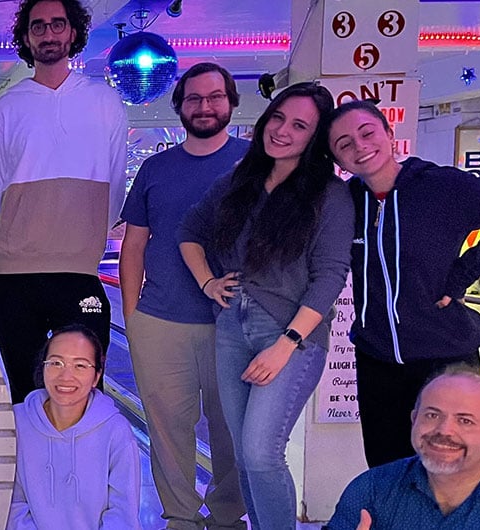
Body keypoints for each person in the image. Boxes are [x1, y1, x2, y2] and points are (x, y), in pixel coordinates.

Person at [325, 100, 480, 468]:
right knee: (386, 468)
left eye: (367, 133)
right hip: (376, 361)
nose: (360, 147)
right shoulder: (346, 202)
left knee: (454, 469)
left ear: (389, 134)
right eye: (344, 144)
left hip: (444, 359)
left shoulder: (442, 186)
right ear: (337, 158)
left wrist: (462, 274)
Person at [178, 82, 352, 530]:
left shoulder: (328, 194)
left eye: (299, 126)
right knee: (243, 456)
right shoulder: (239, 181)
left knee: (261, 452)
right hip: (232, 328)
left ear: (315, 139)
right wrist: (208, 283)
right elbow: (189, 231)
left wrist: (287, 344)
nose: (282, 131)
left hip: (290, 335)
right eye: (278, 118)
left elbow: (330, 275)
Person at [119, 62, 247, 530]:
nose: (204, 106)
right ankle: (180, 517)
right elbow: (134, 246)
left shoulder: (255, 164)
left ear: (231, 102)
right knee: (168, 432)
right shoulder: (156, 168)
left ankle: (228, 516)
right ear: (180, 108)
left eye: (214, 96)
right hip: (161, 321)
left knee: (232, 429)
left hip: (234, 324)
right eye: (194, 98)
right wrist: (133, 318)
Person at [0, 0, 129, 402]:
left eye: (57, 24)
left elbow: (115, 184)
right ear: (26, 38)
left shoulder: (105, 103)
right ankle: (31, 467)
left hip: (79, 271)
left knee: (84, 391)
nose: (48, 33)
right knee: (25, 390)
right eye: (39, 26)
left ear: (73, 32)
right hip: (16, 275)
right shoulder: (6, 108)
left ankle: (80, 467)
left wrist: (82, 238)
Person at [325, 365, 480, 529]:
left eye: (465, 420)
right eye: (432, 415)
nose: (444, 430)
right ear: (413, 420)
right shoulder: (371, 489)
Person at [8, 325, 140, 529]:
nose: (65, 376)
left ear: (96, 376)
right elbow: (11, 503)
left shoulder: (115, 430)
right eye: (56, 363)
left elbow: (123, 512)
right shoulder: (16, 423)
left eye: (80, 365)